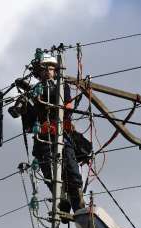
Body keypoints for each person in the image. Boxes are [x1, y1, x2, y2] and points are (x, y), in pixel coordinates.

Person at [21, 49, 85, 213]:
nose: (47, 72)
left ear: (55, 70)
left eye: (50, 68)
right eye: (44, 69)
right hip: (43, 139)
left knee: (71, 169)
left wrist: (37, 96)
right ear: (38, 72)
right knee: (50, 172)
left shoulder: (62, 87)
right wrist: (25, 105)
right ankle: (61, 203)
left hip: (62, 136)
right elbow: (28, 124)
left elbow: (66, 107)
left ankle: (78, 203)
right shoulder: (33, 93)